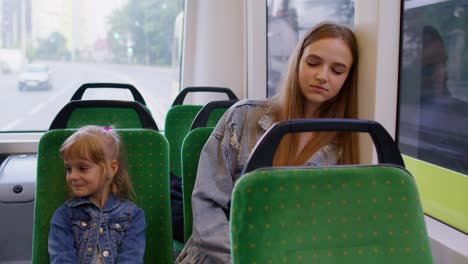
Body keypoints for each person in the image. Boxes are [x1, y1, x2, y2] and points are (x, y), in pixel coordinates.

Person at [176, 22, 360, 263]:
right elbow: (206, 205)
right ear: (297, 62)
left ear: (347, 79)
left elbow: (329, 231)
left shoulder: (344, 147)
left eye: (337, 71)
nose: (322, 76)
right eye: (313, 63)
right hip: (223, 254)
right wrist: (245, 257)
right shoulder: (243, 117)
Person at [48, 125, 146, 264]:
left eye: (83, 168)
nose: (73, 176)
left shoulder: (132, 216)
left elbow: (131, 259)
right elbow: (61, 259)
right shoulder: (64, 216)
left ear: (111, 168)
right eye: (68, 169)